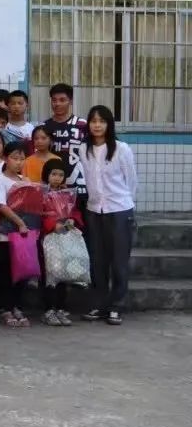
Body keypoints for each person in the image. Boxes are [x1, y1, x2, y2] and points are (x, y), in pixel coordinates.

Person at [79, 105, 137, 326]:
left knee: (119, 261)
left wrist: (127, 205)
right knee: (98, 261)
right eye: (93, 121)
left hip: (119, 210)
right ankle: (99, 305)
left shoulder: (122, 149)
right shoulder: (84, 149)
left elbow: (131, 181)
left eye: (102, 121)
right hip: (94, 210)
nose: (97, 125)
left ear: (109, 124)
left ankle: (117, 306)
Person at [0, 142, 32, 328]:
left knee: (22, 272)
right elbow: (1, 205)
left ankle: (16, 305)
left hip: (23, 235)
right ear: (5, 159)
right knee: (7, 272)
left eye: (22, 159)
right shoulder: (0, 180)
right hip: (6, 235)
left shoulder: (25, 180)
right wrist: (20, 222)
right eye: (14, 158)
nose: (18, 162)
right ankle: (5, 308)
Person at [39, 159, 80, 327]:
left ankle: (61, 308)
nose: (57, 178)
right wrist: (51, 225)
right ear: (46, 175)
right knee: (49, 275)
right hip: (48, 238)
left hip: (64, 237)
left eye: (61, 175)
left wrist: (72, 220)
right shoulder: (40, 193)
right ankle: (49, 310)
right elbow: (38, 214)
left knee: (63, 275)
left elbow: (74, 211)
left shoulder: (67, 194)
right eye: (53, 174)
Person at [44, 83, 88, 202]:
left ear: (71, 101)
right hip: (53, 187)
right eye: (54, 100)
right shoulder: (44, 126)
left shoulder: (83, 125)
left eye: (62, 100)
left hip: (80, 184)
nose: (57, 104)